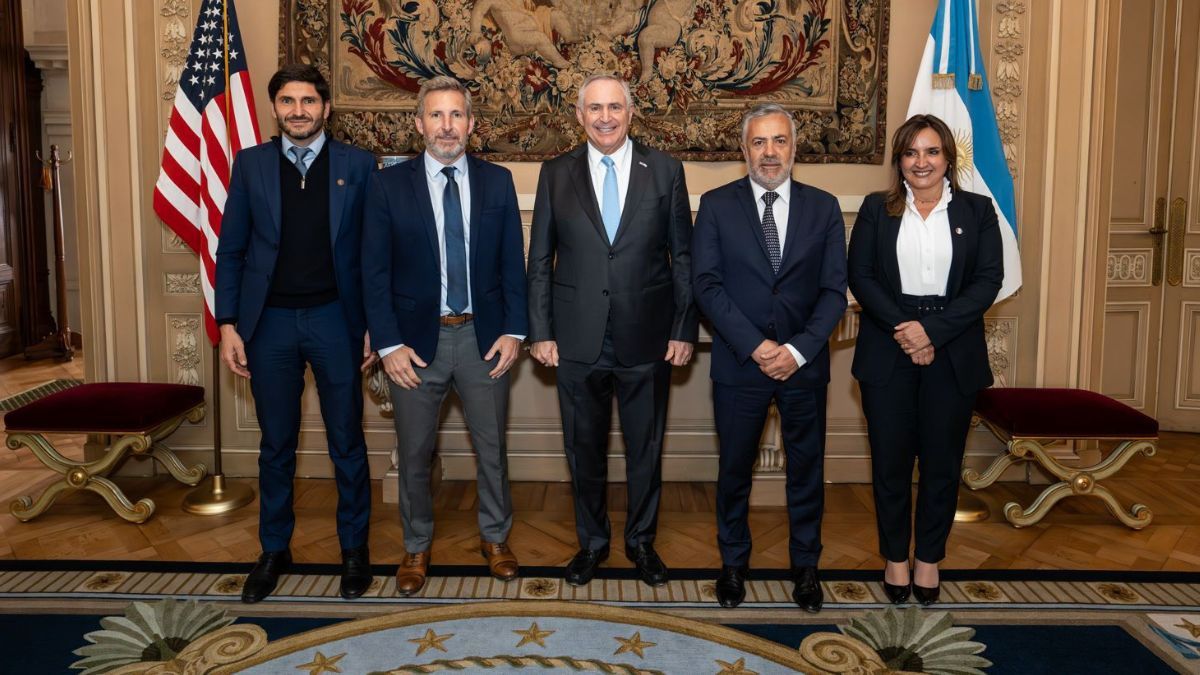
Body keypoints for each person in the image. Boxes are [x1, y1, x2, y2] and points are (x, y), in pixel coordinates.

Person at [527, 74, 697, 587]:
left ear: (631, 112)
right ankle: (592, 543)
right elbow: (539, 259)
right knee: (584, 448)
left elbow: (683, 257)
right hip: (576, 337)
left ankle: (641, 542)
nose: (605, 117)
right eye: (595, 108)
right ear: (578, 116)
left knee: (645, 447)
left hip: (647, 336)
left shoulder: (665, 170)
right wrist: (541, 330)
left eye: (615, 107)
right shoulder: (556, 173)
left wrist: (683, 327)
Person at [215, 64, 377, 603]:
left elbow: (375, 258)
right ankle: (274, 549)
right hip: (270, 326)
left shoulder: (358, 165)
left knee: (346, 443)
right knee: (276, 445)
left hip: (336, 320)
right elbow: (231, 249)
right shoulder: (251, 165)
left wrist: (375, 327)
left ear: (326, 108)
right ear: (275, 108)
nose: (299, 110)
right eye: (288, 101)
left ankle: (354, 550)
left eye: (308, 101)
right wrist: (229, 324)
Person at [362, 76, 528, 596]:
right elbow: (375, 271)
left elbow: (512, 267)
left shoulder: (497, 182)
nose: (447, 126)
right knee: (413, 453)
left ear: (471, 124)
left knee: (492, 448)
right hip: (415, 344)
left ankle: (495, 539)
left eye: (456, 115)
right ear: (419, 124)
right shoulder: (387, 185)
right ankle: (416, 546)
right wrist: (388, 345)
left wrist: (515, 331)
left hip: (483, 339)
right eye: (436, 116)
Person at [691, 103, 848, 612]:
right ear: (744, 150)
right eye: (759, 142)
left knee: (807, 471)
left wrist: (798, 350)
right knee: (734, 470)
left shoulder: (823, 208)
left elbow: (832, 292)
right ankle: (733, 564)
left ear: (794, 148)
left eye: (779, 141)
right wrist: (758, 347)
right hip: (741, 364)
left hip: (804, 366)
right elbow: (707, 286)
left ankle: (806, 568)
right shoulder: (716, 205)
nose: (770, 152)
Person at [848, 113, 1002, 606]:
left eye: (931, 152)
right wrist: (907, 330)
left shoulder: (978, 210)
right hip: (888, 342)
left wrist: (931, 330)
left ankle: (929, 558)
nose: (922, 162)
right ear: (900, 161)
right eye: (911, 153)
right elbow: (863, 276)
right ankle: (896, 557)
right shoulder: (877, 209)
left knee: (941, 462)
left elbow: (988, 281)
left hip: (952, 346)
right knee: (891, 463)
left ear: (948, 160)